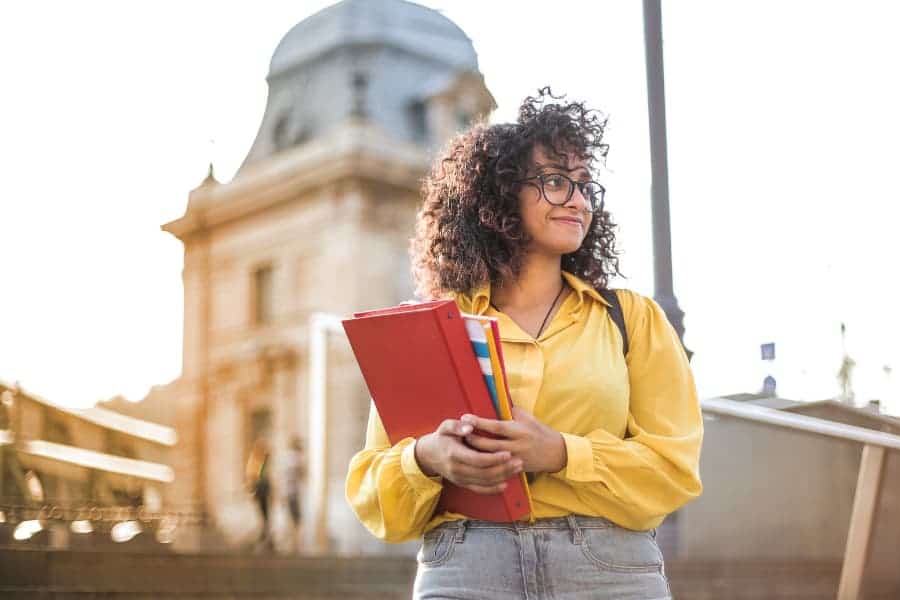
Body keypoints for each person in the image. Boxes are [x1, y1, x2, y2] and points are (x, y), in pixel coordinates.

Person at [346, 88, 703, 600]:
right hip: (466, 565)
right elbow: (374, 491)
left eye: (584, 185)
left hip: (608, 570)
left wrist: (560, 453)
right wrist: (427, 458)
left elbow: (675, 470)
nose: (578, 199)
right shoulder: (433, 330)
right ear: (500, 195)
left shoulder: (631, 319)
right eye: (556, 181)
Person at [245, 438, 273, 552]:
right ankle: (264, 535)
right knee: (264, 515)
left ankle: (265, 535)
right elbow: (253, 476)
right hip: (261, 490)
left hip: (263, 490)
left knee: (265, 515)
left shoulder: (261, 461)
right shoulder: (257, 461)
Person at [283, 436, 306, 552]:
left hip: (289, 492)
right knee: (296, 519)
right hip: (294, 492)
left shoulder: (287, 458)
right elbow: (301, 474)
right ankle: (295, 543)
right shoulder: (295, 459)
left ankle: (293, 543)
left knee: (293, 518)